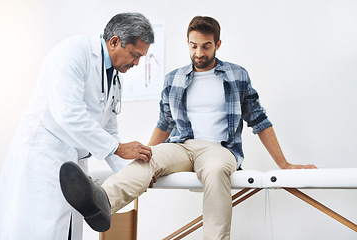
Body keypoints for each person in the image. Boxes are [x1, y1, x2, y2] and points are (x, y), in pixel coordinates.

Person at [59, 16, 317, 239]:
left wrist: (284, 164)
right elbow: (165, 124)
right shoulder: (175, 78)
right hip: (182, 146)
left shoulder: (237, 75)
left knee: (216, 171)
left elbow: (259, 120)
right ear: (188, 44)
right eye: (193, 46)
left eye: (206, 46)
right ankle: (102, 200)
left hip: (219, 149)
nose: (199, 53)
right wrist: (148, 153)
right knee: (146, 157)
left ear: (217, 44)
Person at [0, 12, 154, 240]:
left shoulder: (113, 77)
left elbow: (109, 131)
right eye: (135, 54)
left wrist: (133, 171)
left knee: (66, 231)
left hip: (73, 162)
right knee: (37, 230)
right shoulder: (72, 53)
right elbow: (68, 114)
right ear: (114, 41)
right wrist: (118, 148)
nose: (137, 63)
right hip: (43, 156)